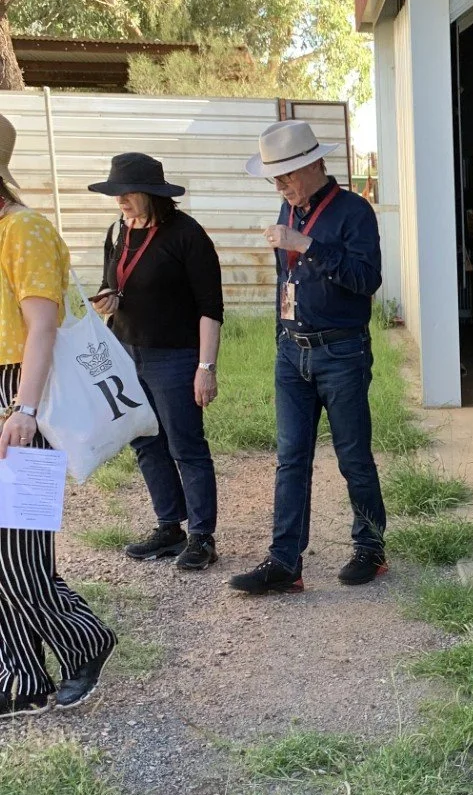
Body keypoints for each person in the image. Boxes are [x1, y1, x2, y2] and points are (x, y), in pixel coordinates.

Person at [230, 120, 387, 596]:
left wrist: (307, 246)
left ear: (316, 164)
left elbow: (366, 280)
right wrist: (282, 334)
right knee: (290, 460)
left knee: (353, 457)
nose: (280, 186)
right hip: (292, 352)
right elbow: (289, 281)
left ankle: (370, 549)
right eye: (274, 179)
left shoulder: (354, 212)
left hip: (341, 351)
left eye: (288, 175)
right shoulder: (289, 207)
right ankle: (284, 562)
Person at [0, 114, 115, 715]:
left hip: (26, 396)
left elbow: (42, 328)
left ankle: (84, 639)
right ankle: (20, 677)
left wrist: (23, 408)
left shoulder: (25, 229)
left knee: (21, 552)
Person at [90, 153, 223, 572]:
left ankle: (202, 537)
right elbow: (112, 282)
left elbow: (211, 308)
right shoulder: (118, 231)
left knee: (185, 445)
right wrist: (107, 298)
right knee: (145, 440)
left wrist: (206, 368)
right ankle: (170, 528)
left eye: (127, 192)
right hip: (126, 352)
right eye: (115, 193)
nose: (120, 200)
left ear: (152, 193)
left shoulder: (186, 234)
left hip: (175, 357)